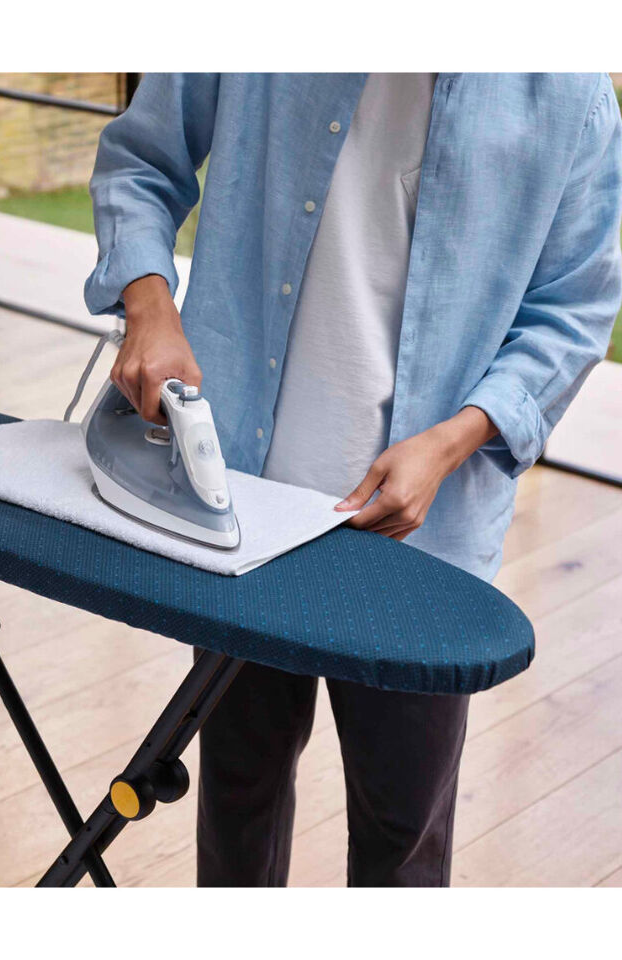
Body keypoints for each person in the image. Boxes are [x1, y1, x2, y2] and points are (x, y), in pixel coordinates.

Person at [84, 73, 622, 886]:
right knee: (238, 789)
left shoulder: (569, 95)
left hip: (422, 542)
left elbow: (573, 310)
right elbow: (139, 161)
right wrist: (150, 308)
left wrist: (452, 441)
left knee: (403, 831)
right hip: (239, 505)